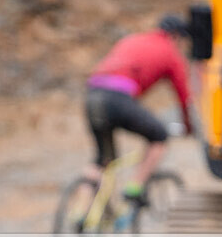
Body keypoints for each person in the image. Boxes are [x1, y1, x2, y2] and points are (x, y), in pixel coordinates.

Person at [82, 14, 193, 204]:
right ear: (175, 36)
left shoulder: (132, 39)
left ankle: (79, 211)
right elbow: (183, 96)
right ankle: (134, 188)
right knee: (159, 136)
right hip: (118, 98)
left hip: (92, 96)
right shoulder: (170, 53)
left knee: (102, 160)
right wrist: (189, 126)